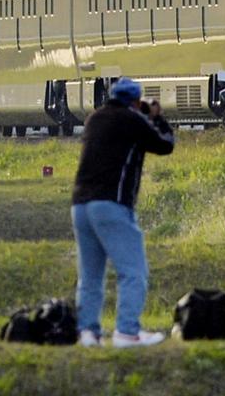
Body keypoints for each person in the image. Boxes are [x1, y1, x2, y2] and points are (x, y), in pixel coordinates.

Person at [72, 76, 175, 348]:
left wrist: (142, 114)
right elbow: (165, 144)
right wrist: (157, 116)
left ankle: (87, 333)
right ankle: (127, 332)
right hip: (111, 204)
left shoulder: (95, 118)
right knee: (133, 271)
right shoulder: (133, 121)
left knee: (90, 276)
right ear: (136, 100)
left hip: (80, 205)